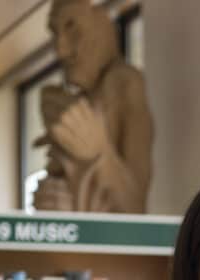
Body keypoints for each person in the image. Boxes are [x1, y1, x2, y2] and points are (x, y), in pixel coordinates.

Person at [34, 0, 153, 213]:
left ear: (100, 26)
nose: (61, 50)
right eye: (55, 32)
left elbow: (135, 207)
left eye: (72, 28)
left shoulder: (125, 83)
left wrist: (100, 153)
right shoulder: (83, 99)